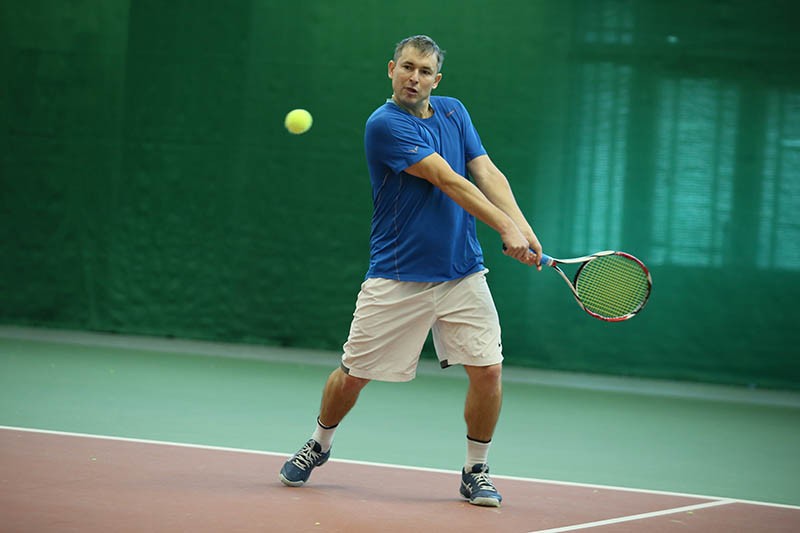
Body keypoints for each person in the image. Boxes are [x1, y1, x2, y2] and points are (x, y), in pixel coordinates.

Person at [279, 35, 542, 508]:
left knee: (488, 371)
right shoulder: (384, 125)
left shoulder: (454, 112)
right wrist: (505, 227)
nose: (413, 78)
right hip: (397, 276)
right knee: (353, 376)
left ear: (436, 79)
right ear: (391, 69)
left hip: (462, 273)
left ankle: (475, 470)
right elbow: (447, 179)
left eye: (424, 71)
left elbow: (486, 172)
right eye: (406, 67)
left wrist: (522, 227)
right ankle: (319, 442)